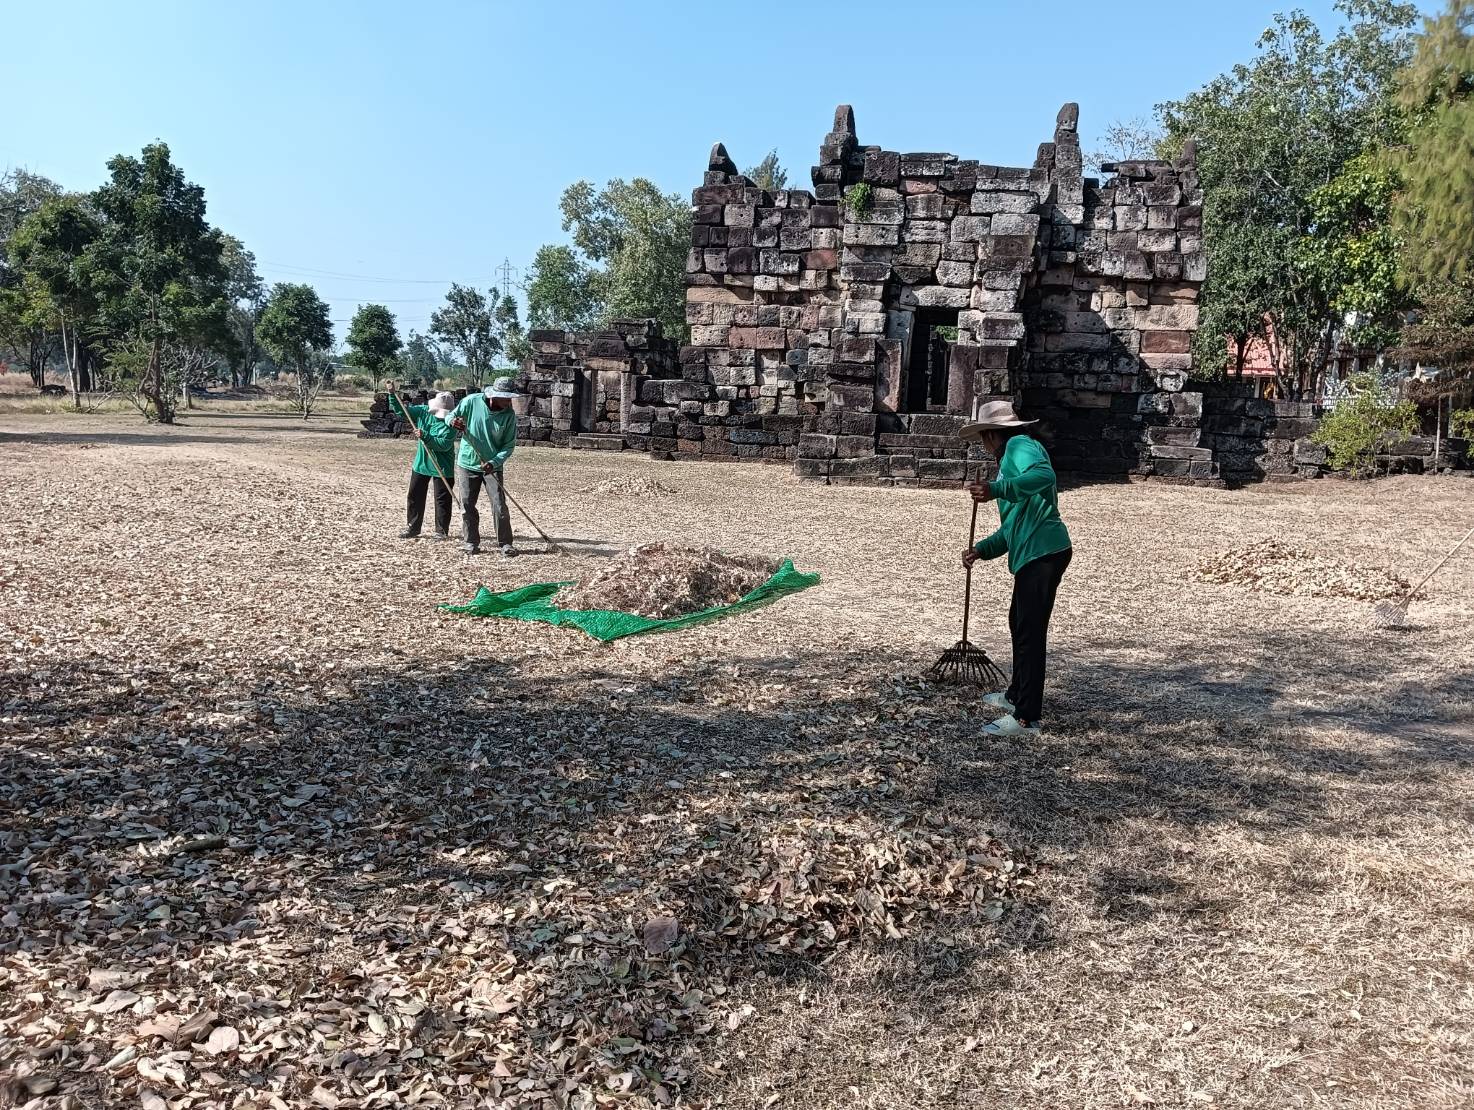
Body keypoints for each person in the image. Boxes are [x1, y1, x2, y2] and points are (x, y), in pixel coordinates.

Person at [960, 400, 1073, 739]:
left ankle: (1026, 718)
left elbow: (1045, 475)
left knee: (1029, 633)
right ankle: (1015, 696)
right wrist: (980, 550)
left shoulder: (1020, 446)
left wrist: (996, 490)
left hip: (1044, 551)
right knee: (1020, 624)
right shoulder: (1011, 460)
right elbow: (1012, 528)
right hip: (1033, 552)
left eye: (983, 436)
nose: (983, 444)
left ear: (993, 434)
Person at [448, 375, 519, 557]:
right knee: (466, 504)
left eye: (509, 397)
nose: (508, 401)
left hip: (492, 466)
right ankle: (471, 541)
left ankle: (505, 543)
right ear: (493, 395)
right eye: (505, 397)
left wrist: (494, 462)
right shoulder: (471, 402)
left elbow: (508, 446)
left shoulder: (508, 415)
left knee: (499, 505)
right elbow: (451, 416)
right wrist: (453, 422)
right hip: (467, 463)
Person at [387, 385, 458, 541]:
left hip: (442, 467)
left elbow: (443, 445)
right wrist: (392, 394)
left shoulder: (452, 424)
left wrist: (426, 436)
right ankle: (413, 527)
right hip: (422, 463)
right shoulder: (423, 411)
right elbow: (401, 411)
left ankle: (441, 531)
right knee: (414, 495)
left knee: (442, 500)